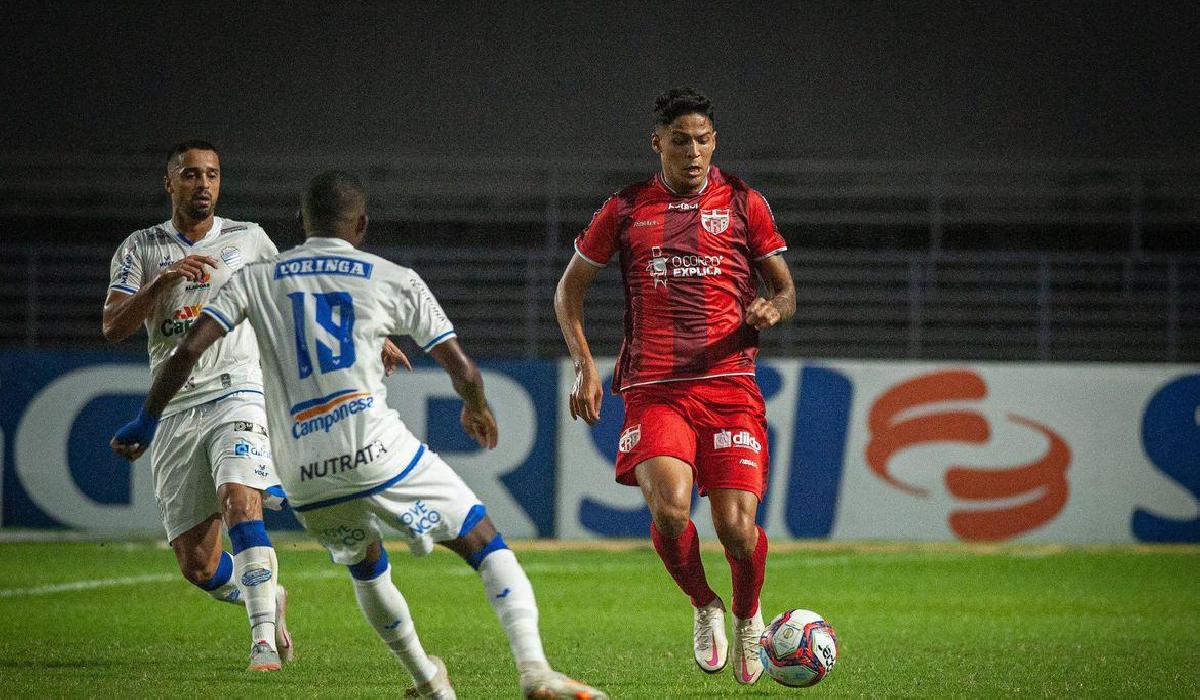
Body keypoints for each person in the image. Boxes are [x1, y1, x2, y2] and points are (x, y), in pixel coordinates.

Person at [111, 171, 607, 700]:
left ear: (301, 224)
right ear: (363, 225)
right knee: (486, 544)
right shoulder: (392, 276)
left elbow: (186, 351)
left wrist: (145, 419)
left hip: (305, 476)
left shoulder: (255, 278)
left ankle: (428, 681)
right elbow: (461, 366)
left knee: (366, 567)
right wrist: (476, 407)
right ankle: (534, 672)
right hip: (376, 451)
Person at [554, 87, 796, 686]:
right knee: (670, 511)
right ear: (657, 142)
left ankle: (745, 614)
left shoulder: (744, 202)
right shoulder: (627, 208)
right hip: (656, 387)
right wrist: (585, 364)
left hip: (730, 385)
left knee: (737, 530)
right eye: (682, 140)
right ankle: (703, 604)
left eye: (705, 140)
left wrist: (773, 307)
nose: (695, 153)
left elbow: (786, 290)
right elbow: (568, 291)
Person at [103, 140, 295, 671]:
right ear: (170, 183)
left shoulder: (248, 239)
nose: (202, 184)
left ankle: (261, 643)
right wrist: (163, 283)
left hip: (238, 389)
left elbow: (291, 298)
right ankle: (268, 596)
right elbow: (114, 325)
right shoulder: (139, 248)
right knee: (198, 563)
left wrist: (366, 339)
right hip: (174, 407)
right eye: (190, 175)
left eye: (211, 174)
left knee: (239, 498)